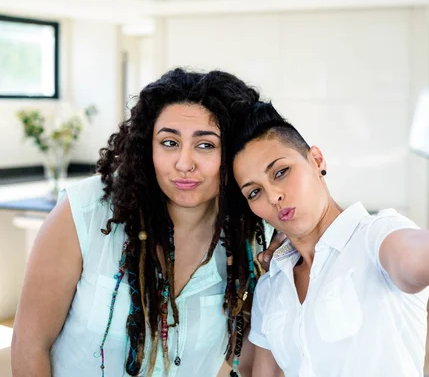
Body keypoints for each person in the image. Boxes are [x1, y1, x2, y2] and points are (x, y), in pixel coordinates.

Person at [226, 101, 429, 376]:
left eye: (280, 172)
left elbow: (420, 255)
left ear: (316, 160)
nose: (273, 196)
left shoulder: (375, 237)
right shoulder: (273, 285)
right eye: (254, 191)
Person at [11, 68, 283, 377]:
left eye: (206, 145)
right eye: (169, 143)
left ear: (235, 151)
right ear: (147, 148)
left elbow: (245, 354)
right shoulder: (83, 212)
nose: (184, 163)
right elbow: (29, 343)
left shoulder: (254, 234)